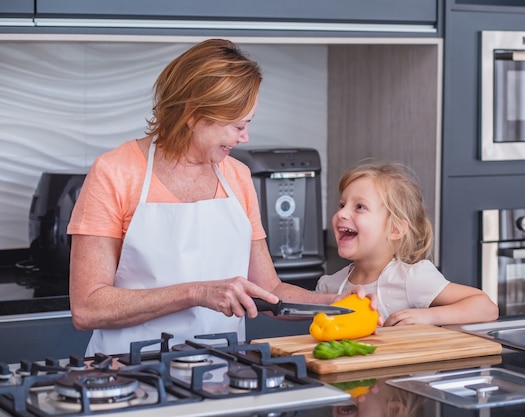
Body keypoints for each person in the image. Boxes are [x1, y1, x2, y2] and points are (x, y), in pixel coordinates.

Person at [67, 39, 349, 356]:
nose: (245, 137)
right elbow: (87, 307)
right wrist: (198, 292)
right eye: (236, 125)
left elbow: (269, 290)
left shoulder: (238, 176)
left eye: (247, 125)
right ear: (192, 114)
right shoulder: (114, 172)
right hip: (128, 380)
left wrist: (335, 303)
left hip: (222, 374)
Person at [316, 160, 499, 327]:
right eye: (342, 205)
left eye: (360, 207)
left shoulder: (411, 278)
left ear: (394, 229)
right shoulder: (329, 287)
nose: (341, 214)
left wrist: (428, 316)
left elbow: (486, 307)